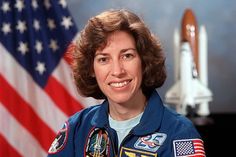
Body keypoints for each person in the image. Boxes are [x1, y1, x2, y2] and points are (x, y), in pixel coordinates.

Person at [47, 9, 205, 157]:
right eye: (103, 59)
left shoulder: (179, 133)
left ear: (144, 61)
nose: (117, 71)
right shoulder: (77, 129)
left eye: (127, 56)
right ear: (91, 69)